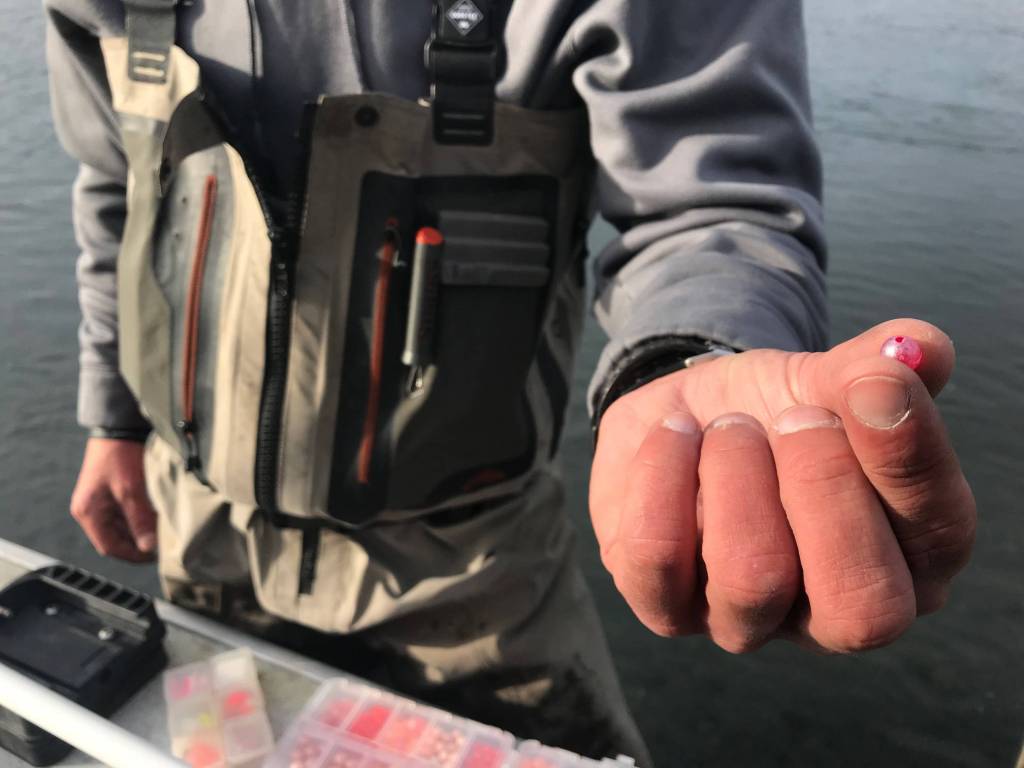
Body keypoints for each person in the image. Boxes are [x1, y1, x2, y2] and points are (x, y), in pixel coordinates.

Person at [44, 0, 976, 763]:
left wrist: (692, 363)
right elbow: (117, 182)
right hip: (199, 534)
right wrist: (114, 423)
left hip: (471, 575)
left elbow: (711, 205)